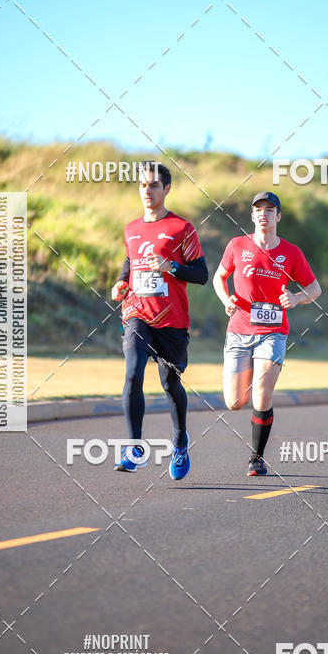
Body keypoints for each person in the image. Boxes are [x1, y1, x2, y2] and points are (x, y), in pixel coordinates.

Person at [212, 191, 321, 476]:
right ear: (252, 215)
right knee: (235, 402)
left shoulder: (291, 253)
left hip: (273, 333)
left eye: (269, 209)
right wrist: (226, 299)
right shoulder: (237, 245)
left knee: (261, 396)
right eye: (258, 209)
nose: (264, 213)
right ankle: (247, 379)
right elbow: (219, 277)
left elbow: (315, 289)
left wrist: (297, 299)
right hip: (238, 330)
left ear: (278, 216)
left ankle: (256, 458)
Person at [111, 162, 208, 479]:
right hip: (137, 313)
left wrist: (172, 268)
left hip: (172, 320)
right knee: (133, 372)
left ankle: (180, 441)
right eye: (142, 185)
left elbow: (201, 275)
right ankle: (133, 448)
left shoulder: (183, 229)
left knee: (170, 382)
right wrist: (122, 282)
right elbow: (131, 261)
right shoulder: (130, 228)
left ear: (167, 189)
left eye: (153, 185)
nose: (147, 190)